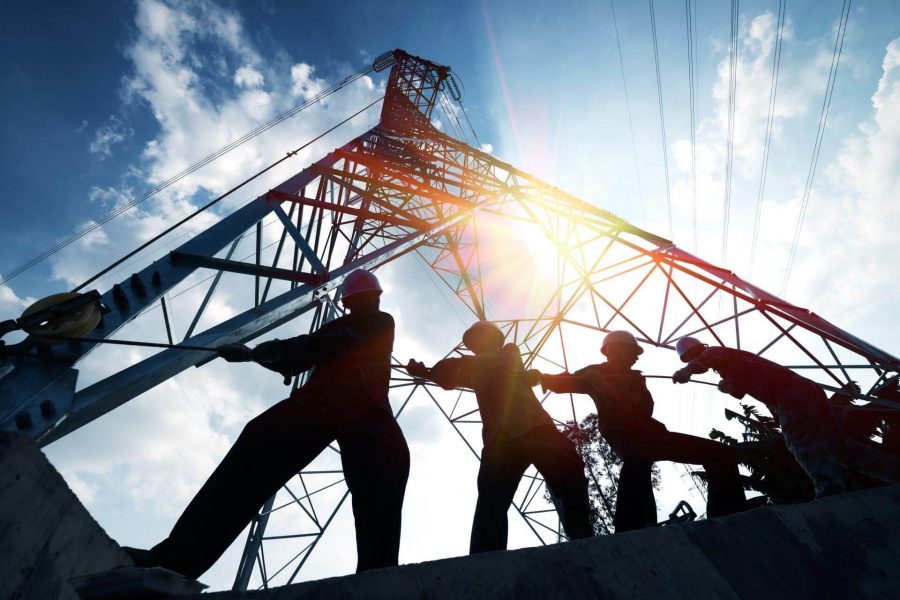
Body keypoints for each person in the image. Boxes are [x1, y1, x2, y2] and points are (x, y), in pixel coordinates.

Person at [124, 269, 410, 578]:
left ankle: (377, 579)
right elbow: (311, 349)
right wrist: (259, 354)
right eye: (360, 301)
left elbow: (319, 346)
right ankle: (174, 560)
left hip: (358, 412)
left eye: (362, 300)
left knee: (380, 481)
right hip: (338, 407)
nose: (363, 304)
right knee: (259, 441)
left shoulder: (379, 324)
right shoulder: (349, 327)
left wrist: (256, 353)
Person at [406, 321, 593, 553]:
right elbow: (450, 380)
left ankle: (586, 540)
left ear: (495, 340)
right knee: (491, 501)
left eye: (478, 341)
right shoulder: (476, 370)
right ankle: (484, 559)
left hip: (533, 428)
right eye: (473, 344)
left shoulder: (509, 353)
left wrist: (451, 364)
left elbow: (475, 366)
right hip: (501, 441)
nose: (475, 347)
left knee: (570, 475)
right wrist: (424, 372)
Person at [540, 331, 747, 532]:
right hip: (624, 434)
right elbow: (564, 383)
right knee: (636, 459)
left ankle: (729, 517)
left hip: (651, 433)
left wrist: (610, 387)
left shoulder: (634, 378)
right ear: (612, 350)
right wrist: (542, 377)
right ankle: (632, 527)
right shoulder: (593, 373)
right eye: (632, 353)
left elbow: (645, 408)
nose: (635, 359)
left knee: (721, 454)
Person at [672, 337, 900, 498]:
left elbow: (707, 359)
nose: (693, 363)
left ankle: (830, 488)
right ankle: (892, 471)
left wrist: (686, 373)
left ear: (697, 351)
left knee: (800, 444)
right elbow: (740, 389)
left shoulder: (715, 353)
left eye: (691, 358)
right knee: (836, 444)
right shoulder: (730, 365)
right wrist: (726, 386)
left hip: (791, 397)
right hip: (807, 392)